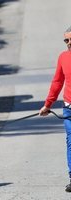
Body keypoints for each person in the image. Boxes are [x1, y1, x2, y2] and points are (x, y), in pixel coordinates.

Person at [39, 26, 71, 192]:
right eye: (66, 40)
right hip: (69, 110)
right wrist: (48, 104)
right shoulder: (63, 57)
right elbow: (57, 82)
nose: (69, 43)